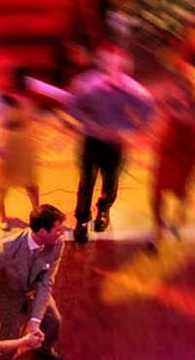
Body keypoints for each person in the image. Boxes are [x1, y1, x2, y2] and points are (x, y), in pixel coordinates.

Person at [64, 45, 154, 242]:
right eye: (106, 62)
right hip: (92, 139)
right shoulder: (86, 83)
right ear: (100, 62)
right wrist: (89, 125)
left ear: (123, 65)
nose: (110, 67)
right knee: (86, 181)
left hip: (115, 143)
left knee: (110, 181)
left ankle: (103, 211)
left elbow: (148, 111)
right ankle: (81, 220)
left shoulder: (131, 88)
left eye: (115, 63)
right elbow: (71, 107)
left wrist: (129, 131)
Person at [0, 204, 70, 360]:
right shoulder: (9, 246)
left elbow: (46, 281)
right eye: (57, 230)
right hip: (8, 298)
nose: (62, 233)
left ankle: (44, 348)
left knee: (53, 322)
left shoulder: (57, 243)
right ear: (42, 231)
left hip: (35, 293)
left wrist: (35, 320)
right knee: (8, 346)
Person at [148, 79, 195, 242]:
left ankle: (179, 217)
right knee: (157, 191)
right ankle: (158, 225)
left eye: (188, 86)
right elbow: (153, 106)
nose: (183, 90)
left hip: (188, 155)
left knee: (182, 192)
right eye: (181, 86)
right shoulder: (172, 102)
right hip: (169, 153)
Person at [0, 69, 42, 229]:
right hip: (7, 139)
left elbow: (34, 114)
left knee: (30, 181)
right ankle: (1, 214)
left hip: (24, 141)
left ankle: (37, 212)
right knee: (3, 181)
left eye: (9, 78)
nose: (6, 80)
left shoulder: (27, 96)